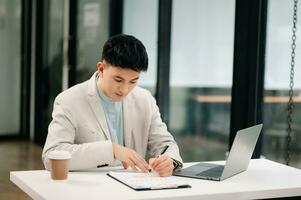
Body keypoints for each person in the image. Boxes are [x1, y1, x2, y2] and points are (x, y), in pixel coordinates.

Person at [42, 34, 183, 177]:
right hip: (89, 190)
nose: (125, 89)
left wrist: (169, 160)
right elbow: (51, 155)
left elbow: (165, 143)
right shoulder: (69, 100)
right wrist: (111, 150)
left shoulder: (144, 99)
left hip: (134, 188)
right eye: (118, 79)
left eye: (133, 81)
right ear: (101, 69)